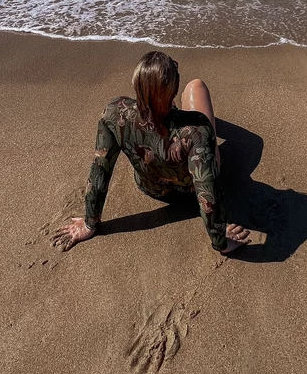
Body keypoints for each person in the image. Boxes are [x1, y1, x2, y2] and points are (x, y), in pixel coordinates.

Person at [52, 51, 251, 255]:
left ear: (135, 83)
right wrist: (220, 241)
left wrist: (89, 223)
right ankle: (174, 103)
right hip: (189, 189)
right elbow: (207, 194)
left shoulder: (113, 113)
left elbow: (100, 168)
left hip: (151, 187)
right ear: (173, 89)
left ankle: (162, 103)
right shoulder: (197, 131)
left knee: (163, 112)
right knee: (195, 87)